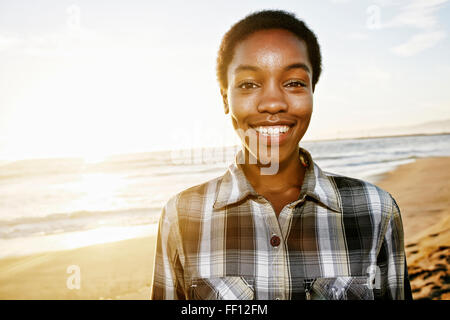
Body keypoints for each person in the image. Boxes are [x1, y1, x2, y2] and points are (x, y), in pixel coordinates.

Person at [151, 9, 413, 300]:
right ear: (226, 98)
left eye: (294, 83)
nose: (273, 103)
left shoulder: (376, 209)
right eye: (249, 84)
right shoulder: (182, 215)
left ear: (312, 91)